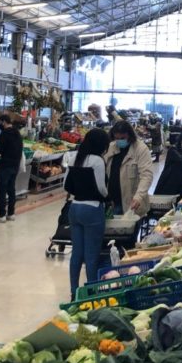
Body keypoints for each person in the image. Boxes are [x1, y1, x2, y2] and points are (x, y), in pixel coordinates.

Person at [65, 128, 111, 297]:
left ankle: (74, 292)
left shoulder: (74, 157)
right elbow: (101, 188)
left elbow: (66, 185)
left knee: (76, 253)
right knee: (91, 255)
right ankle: (92, 292)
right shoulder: (97, 161)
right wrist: (108, 196)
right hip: (92, 209)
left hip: (74, 208)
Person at [104, 120, 154, 216]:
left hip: (132, 203)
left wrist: (138, 197)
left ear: (130, 135)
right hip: (112, 202)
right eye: (116, 138)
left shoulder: (141, 149)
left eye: (122, 138)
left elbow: (146, 175)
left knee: (130, 229)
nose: (119, 141)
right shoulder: (111, 147)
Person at [0, 114, 23, 222]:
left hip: (5, 165)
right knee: (11, 189)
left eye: (0, 122)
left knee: (2, 190)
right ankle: (11, 214)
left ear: (4, 122)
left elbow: (0, 151)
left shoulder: (4, 133)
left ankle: (2, 215)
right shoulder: (17, 133)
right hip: (15, 165)